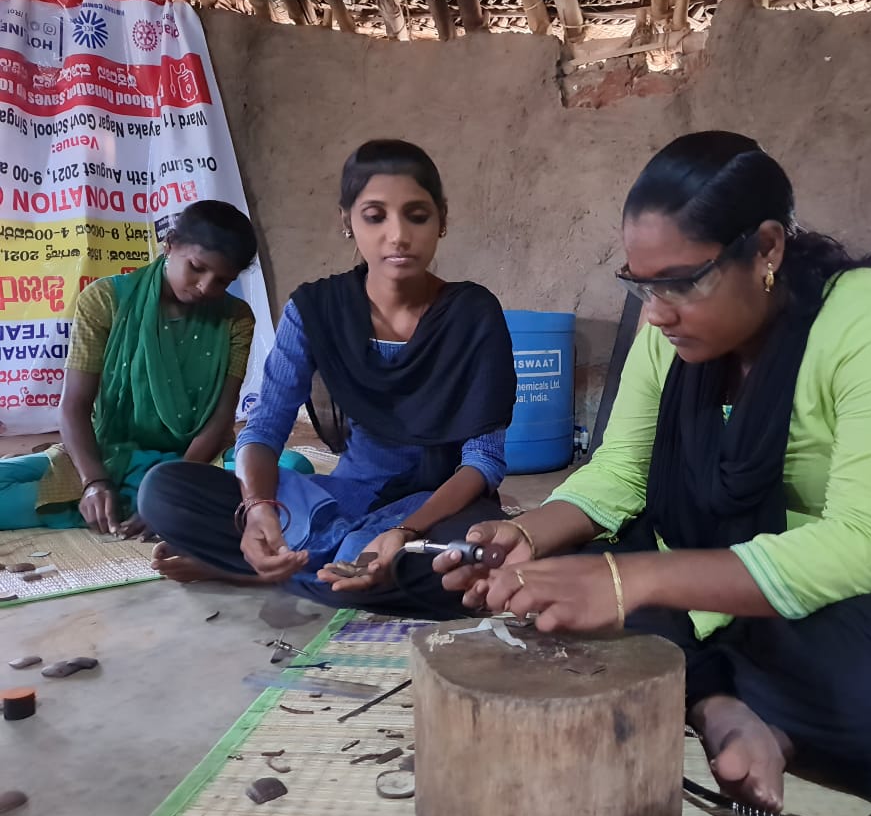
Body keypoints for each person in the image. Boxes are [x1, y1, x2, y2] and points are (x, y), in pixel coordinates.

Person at [433, 132, 871, 813]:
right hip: (741, 582)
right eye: (641, 285)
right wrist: (532, 536)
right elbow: (622, 471)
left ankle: (705, 680)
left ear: (767, 248)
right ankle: (723, 707)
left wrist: (636, 580)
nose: (656, 312)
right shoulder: (669, 338)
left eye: (683, 281)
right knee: (557, 594)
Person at [137, 140, 516, 615]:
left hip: (436, 506)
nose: (397, 236)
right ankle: (327, 562)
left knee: (474, 562)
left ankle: (258, 569)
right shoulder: (315, 309)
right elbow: (264, 429)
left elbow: (482, 462)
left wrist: (404, 531)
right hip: (340, 497)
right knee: (165, 492)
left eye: (416, 215)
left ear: (442, 219)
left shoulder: (472, 313)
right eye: (375, 216)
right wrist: (258, 510)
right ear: (347, 221)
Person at [0, 201, 259, 536]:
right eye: (196, 267)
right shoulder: (105, 300)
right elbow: (74, 407)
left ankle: (150, 504)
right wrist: (93, 481)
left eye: (223, 281)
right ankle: (137, 504)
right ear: (170, 246)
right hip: (111, 455)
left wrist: (173, 490)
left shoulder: (236, 318)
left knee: (291, 469)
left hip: (196, 461)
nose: (206, 287)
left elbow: (220, 418)